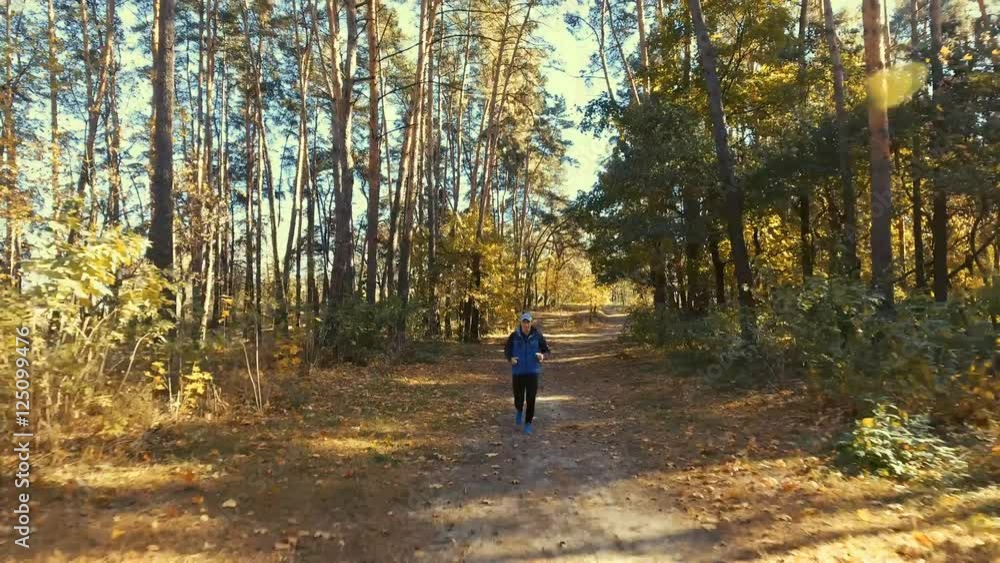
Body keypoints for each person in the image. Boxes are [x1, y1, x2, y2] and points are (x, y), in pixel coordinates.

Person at [503, 312, 550, 434]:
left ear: (531, 323)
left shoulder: (537, 336)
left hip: (532, 372)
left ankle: (528, 423)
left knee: (531, 398)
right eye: (524, 322)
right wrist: (510, 359)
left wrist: (542, 356)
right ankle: (519, 410)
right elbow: (507, 350)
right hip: (518, 372)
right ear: (521, 323)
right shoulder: (514, 336)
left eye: (528, 322)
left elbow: (546, 351)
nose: (526, 325)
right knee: (518, 397)